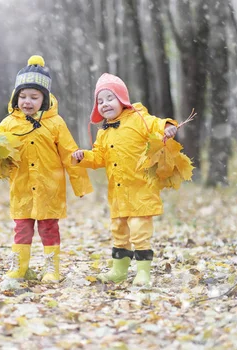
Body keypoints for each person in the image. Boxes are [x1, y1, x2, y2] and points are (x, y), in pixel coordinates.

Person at [0, 55, 93, 283]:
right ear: (16, 98)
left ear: (44, 99)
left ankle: (51, 268)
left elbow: (69, 153)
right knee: (22, 229)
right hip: (22, 186)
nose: (27, 101)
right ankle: (20, 267)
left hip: (48, 187)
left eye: (34, 97)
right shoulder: (8, 123)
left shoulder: (55, 123)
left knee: (48, 228)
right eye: (22, 96)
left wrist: (80, 184)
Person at [72, 73, 178, 286]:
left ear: (122, 99)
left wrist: (167, 127)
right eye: (100, 101)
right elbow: (99, 157)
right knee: (119, 231)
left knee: (139, 230)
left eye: (110, 98)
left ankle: (143, 272)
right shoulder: (103, 133)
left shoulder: (138, 119)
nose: (104, 104)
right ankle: (119, 270)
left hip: (141, 188)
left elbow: (155, 124)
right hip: (118, 193)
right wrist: (84, 157)